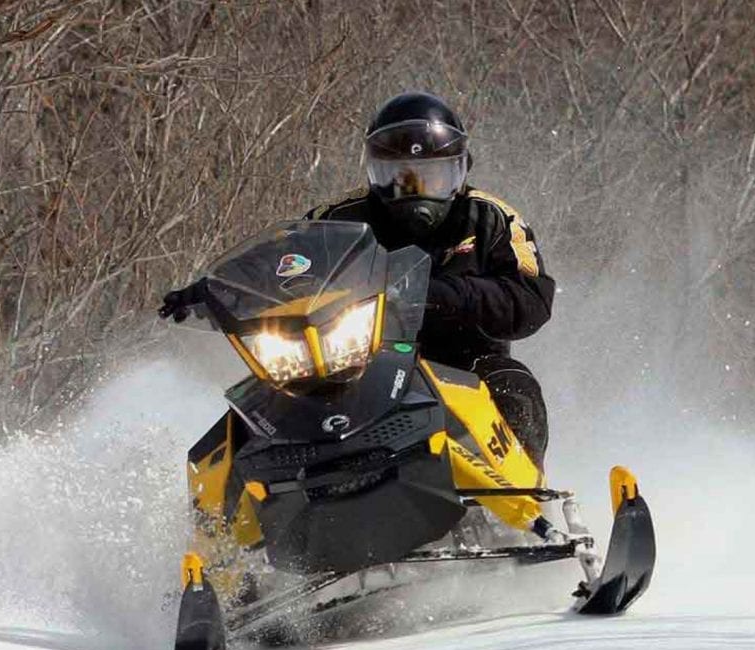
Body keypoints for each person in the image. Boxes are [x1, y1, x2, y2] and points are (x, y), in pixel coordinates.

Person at [161, 92, 554, 466]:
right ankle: (219, 522)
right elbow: (285, 255)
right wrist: (215, 287)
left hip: (464, 361)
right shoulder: (339, 218)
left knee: (513, 386)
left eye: (431, 177)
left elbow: (531, 297)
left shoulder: (491, 218)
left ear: (460, 170)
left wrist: (442, 295)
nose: (416, 190)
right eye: (401, 177)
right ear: (375, 173)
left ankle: (530, 501)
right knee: (257, 405)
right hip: (352, 362)